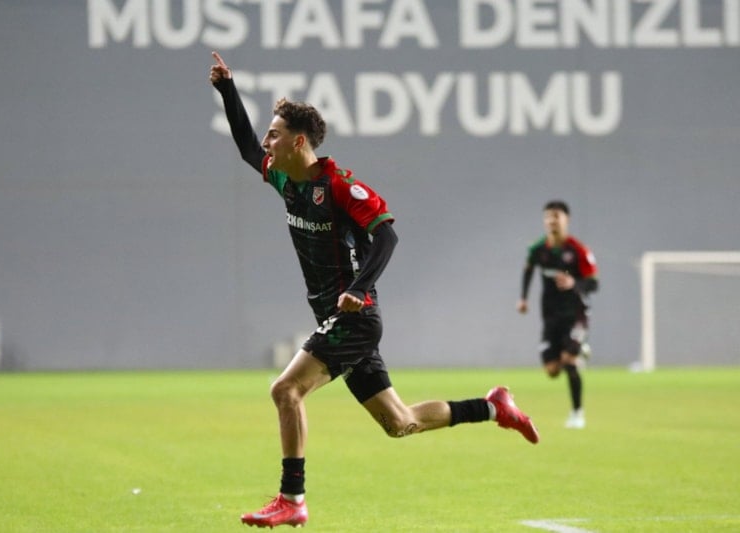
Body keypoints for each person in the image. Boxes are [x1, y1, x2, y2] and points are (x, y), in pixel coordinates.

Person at [209, 51, 539, 529]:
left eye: (274, 134)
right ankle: (494, 407)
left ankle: (292, 498)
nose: (266, 141)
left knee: (285, 390)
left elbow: (386, 236)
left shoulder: (340, 186)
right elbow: (244, 146)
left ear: (298, 142)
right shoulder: (286, 179)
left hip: (354, 318)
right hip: (337, 315)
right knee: (400, 423)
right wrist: (227, 89)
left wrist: (361, 289)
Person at [517, 200, 598, 429]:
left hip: (575, 314)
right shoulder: (537, 249)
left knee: (569, 362)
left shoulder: (578, 250)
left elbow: (594, 283)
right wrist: (523, 298)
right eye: (548, 216)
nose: (552, 220)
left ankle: (577, 414)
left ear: (566, 219)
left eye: (556, 216)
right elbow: (528, 270)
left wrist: (574, 283)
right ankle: (579, 349)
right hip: (551, 316)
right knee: (552, 370)